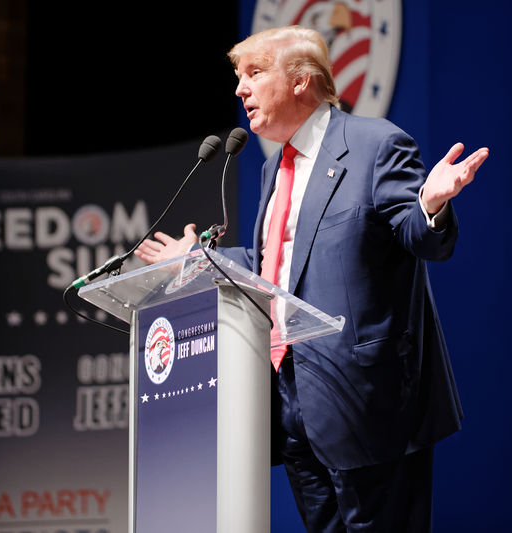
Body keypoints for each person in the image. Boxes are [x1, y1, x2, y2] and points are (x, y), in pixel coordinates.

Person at [135, 25, 489, 532]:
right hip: (295, 403)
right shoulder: (273, 168)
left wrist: (430, 204)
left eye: (254, 73)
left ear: (301, 80)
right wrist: (198, 259)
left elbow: (423, 238)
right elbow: (273, 267)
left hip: (370, 405)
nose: (240, 89)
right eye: (239, 76)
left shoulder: (374, 144)